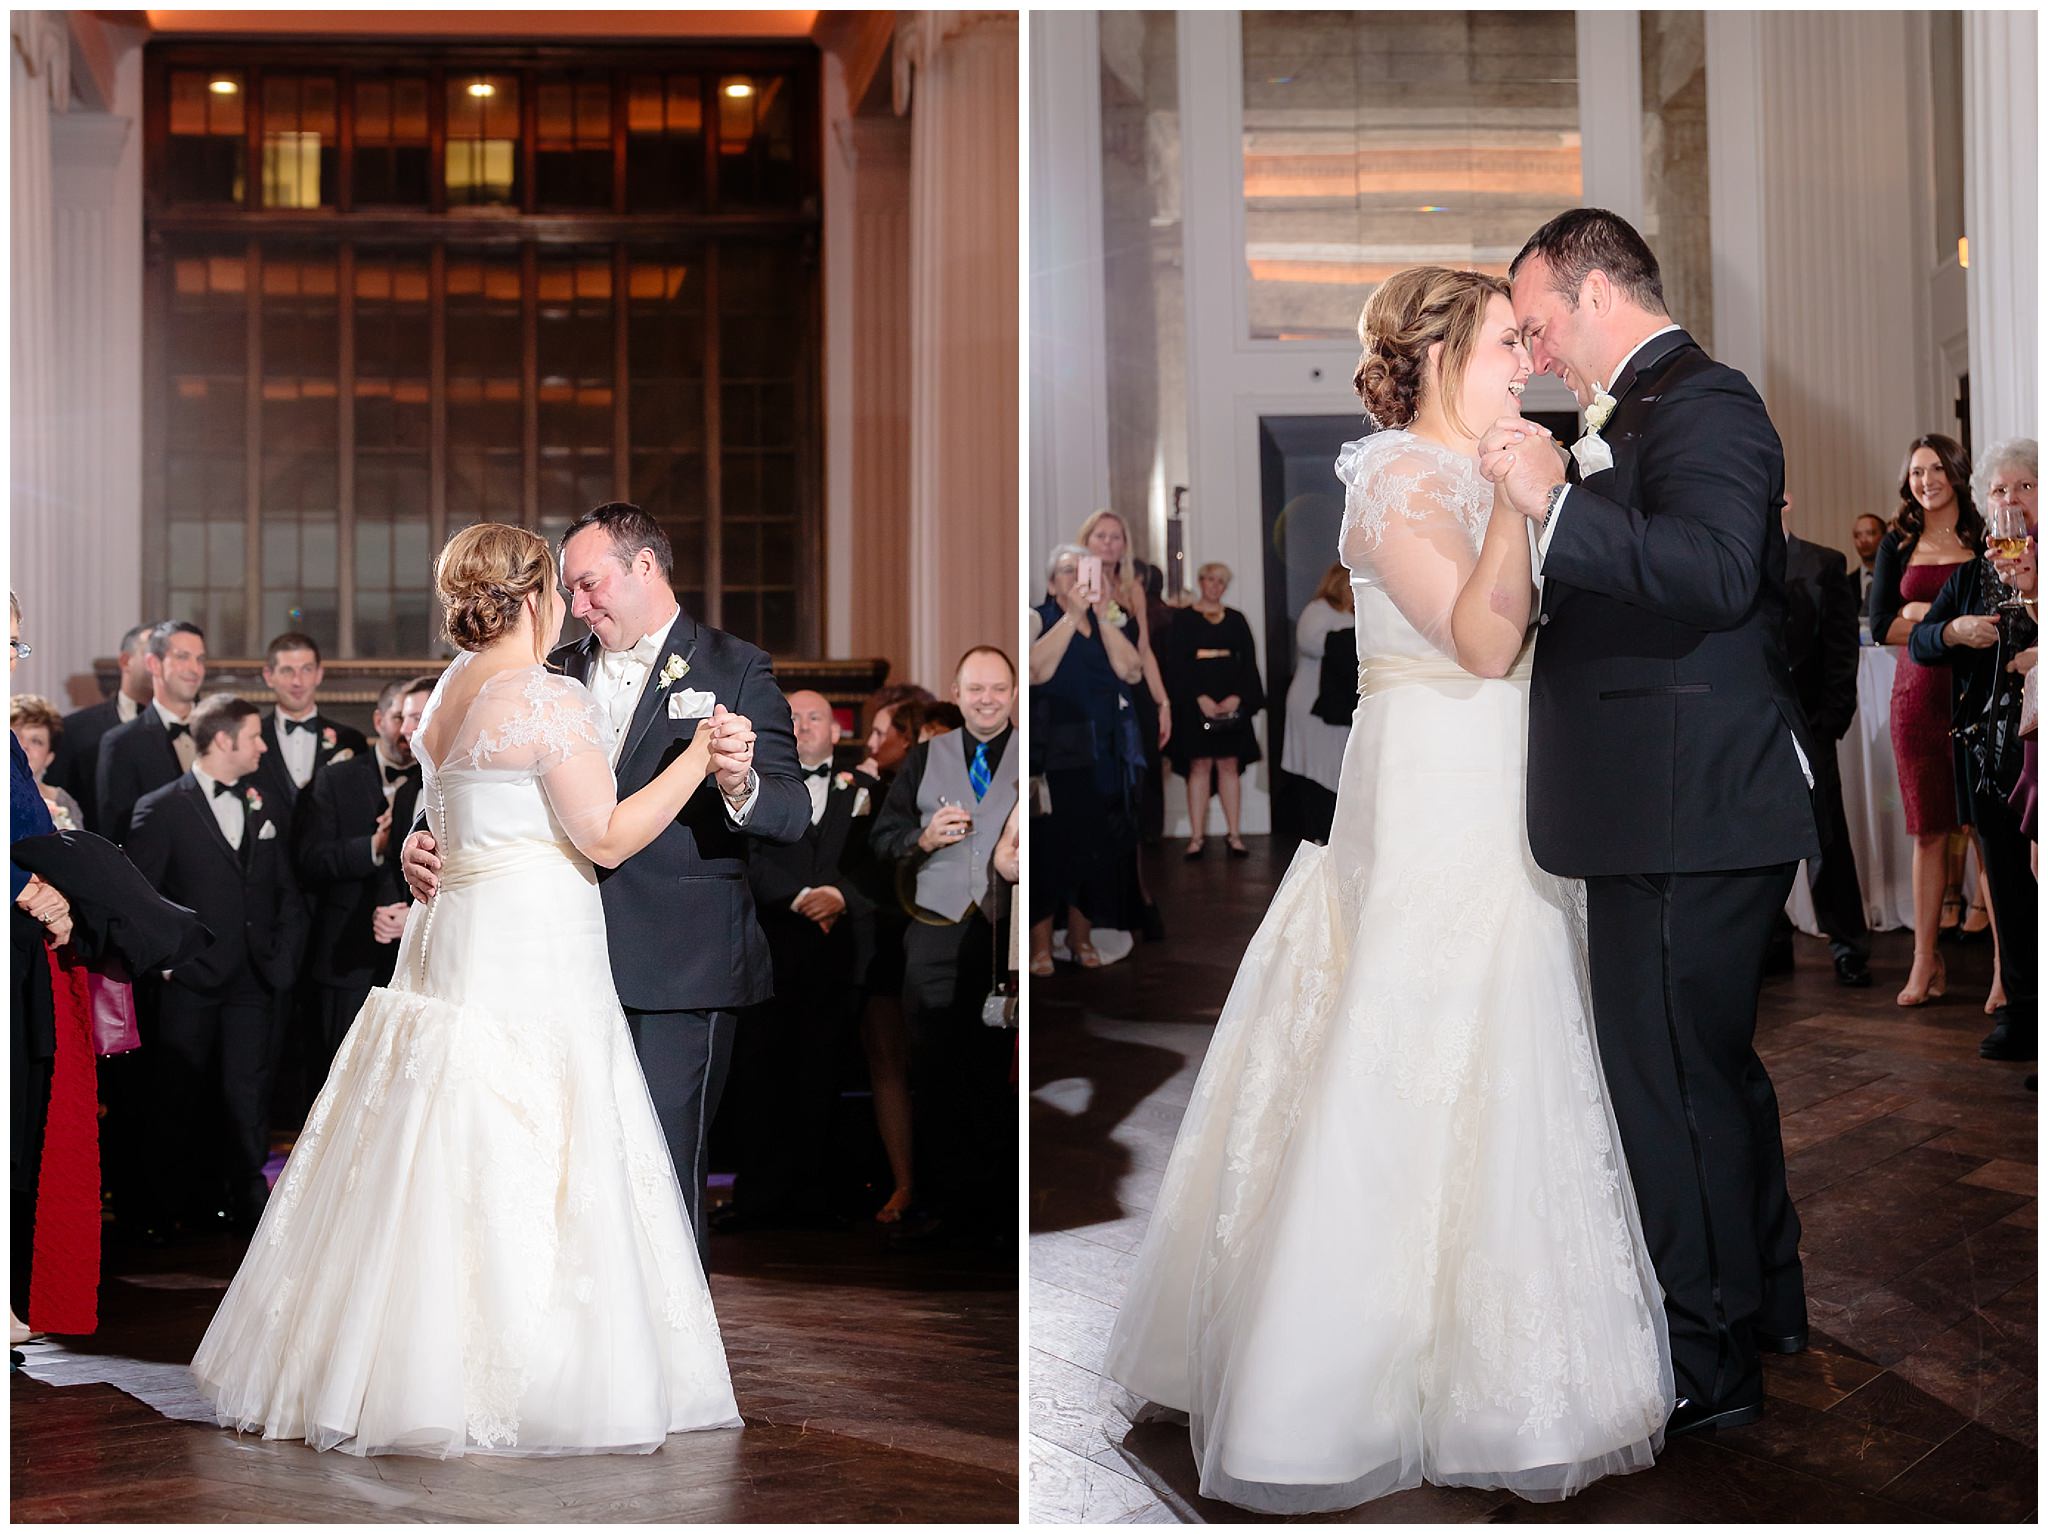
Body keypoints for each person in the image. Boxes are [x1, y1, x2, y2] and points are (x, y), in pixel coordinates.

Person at [1107, 265, 1672, 1513]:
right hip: (1432, 784)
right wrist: (1525, 502)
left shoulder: (1494, 463)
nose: (1515, 372)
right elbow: (1479, 643)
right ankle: (1346, 1372)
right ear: (1430, 360)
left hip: (1506, 771)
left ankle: (1511, 1359)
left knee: (1515, 1035)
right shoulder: (1393, 479)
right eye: (1492, 354)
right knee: (1421, 1030)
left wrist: (1539, 488)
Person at [193, 522, 741, 1456]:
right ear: (531, 596)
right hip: (529, 948)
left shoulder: (447, 691)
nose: (571, 603)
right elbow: (603, 837)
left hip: (455, 938)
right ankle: (531, 1373)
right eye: (558, 589)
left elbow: (440, 809)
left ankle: (397, 1364)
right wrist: (696, 758)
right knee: (533, 1141)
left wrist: (415, 845)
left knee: (438, 1141)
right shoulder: (543, 696)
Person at [1492, 210, 1822, 1432]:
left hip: (1686, 804)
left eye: (1535, 325)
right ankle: (1767, 1300)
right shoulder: (1635, 412)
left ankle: (1709, 1363)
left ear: (1592, 293)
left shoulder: (1705, 400)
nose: (1532, 352)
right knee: (1708, 1076)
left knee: (1671, 1089)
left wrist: (1556, 509)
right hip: (1661, 804)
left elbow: (1719, 569)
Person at [401, 501, 808, 1263]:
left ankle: (668, 1352)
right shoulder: (546, 671)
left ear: (644, 567)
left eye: (589, 586)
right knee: (557, 1168)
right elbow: (471, 783)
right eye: (569, 591)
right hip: (550, 968)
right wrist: (420, 838)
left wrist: (738, 779)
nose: (578, 606)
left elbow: (791, 810)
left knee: (656, 1164)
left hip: (676, 963)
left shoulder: (735, 665)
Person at [124, 695, 307, 1238]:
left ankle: (245, 1197)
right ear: (223, 740)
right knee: (180, 1092)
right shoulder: (160, 808)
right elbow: (142, 899)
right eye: (253, 736)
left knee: (247, 1091)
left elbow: (285, 890)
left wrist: (283, 954)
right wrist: (167, 968)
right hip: (191, 979)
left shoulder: (264, 799)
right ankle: (172, 1205)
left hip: (255, 976)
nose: (261, 745)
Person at [869, 646, 1019, 1244]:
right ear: (955, 693)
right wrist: (923, 838)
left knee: (996, 1070)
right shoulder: (924, 758)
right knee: (934, 1067)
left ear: (1013, 694)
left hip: (1002, 931)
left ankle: (999, 1208)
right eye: (976, 688)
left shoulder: (1032, 756)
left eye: (999, 689)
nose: (987, 698)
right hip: (934, 928)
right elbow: (883, 839)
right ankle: (942, 1205)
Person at [720, 689, 875, 1230]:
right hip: (770, 946)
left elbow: (875, 855)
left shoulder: (865, 788)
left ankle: (820, 1195)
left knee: (824, 1072)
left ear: (837, 732)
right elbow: (745, 854)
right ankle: (758, 1196)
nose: (805, 725)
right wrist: (795, 896)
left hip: (839, 953)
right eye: (795, 717)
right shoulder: (749, 783)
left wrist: (839, 896)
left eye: (817, 718)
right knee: (760, 1073)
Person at [1911, 437, 2038, 1060]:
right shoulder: (1970, 575)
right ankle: (2020, 1015)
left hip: (2040, 753)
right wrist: (1955, 630)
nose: (2010, 500)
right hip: (1990, 755)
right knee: (2008, 891)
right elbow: (1919, 643)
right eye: (1999, 490)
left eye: (2025, 488)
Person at [1869, 434, 1987, 1005]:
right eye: (1917, 471)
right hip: (1916, 695)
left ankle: (2006, 972)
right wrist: (1936, 622)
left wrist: (1918, 614)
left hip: (1980, 692)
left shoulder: (1987, 532)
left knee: (1988, 830)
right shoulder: (1898, 540)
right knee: (1927, 828)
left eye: (1937, 468)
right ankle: (1924, 961)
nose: (1926, 480)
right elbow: (1878, 626)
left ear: (1957, 473)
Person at [292, 675, 432, 1101]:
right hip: (348, 950)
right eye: (402, 718)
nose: (407, 730)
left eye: (416, 718)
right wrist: (374, 850)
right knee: (342, 1082)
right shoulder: (339, 781)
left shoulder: (440, 782)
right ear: (381, 720)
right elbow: (312, 860)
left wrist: (416, 914)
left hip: (424, 954)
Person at [1029, 544, 1146, 972]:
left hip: (1101, 754)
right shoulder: (1037, 618)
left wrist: (1096, 615)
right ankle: (1039, 946)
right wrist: (1072, 616)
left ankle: (1080, 939)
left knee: (1093, 851)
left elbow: (1131, 670)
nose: (1076, 578)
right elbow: (1035, 670)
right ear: (1050, 582)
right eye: (1066, 571)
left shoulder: (1102, 622)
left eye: (1083, 570)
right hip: (1053, 755)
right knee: (1047, 851)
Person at [1776, 495, 1873, 986]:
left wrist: (1830, 722)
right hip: (1753, 728)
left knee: (1827, 839)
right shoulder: (1734, 561)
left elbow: (1841, 653)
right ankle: (1771, 942)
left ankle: (1847, 943)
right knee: (1756, 840)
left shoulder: (1824, 563)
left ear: (1786, 500)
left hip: (1812, 727)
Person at [847, 690, 927, 1222]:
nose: (871, 744)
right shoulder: (870, 788)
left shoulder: (928, 786)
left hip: (922, 930)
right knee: (885, 1062)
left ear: (911, 736)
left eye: (881, 734)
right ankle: (903, 1182)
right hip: (880, 935)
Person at [1161, 562, 1263, 857]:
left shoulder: (1236, 619)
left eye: (1221, 581)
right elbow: (1177, 665)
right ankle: (1196, 838)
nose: (1215, 586)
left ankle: (1234, 835)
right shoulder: (1182, 619)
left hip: (1231, 700)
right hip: (1196, 703)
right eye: (1210, 580)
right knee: (1199, 765)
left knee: (1229, 764)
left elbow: (1249, 663)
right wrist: (1198, 697)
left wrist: (1238, 697)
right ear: (1201, 581)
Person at [95, 620, 207, 846]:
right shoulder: (121, 743)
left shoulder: (224, 730)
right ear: (154, 664)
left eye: (200, 659)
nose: (194, 669)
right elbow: (115, 835)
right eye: (182, 657)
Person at [249, 632, 369, 823]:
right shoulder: (250, 741)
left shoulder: (351, 741)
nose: (297, 681)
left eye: (306, 669)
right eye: (287, 670)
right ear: (269, 676)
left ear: (319, 674)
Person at [46, 621, 154, 830]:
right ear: (125, 661)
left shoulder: (192, 730)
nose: (161, 663)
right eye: (152, 654)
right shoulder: (75, 729)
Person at [1280, 563, 1355, 845]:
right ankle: (1320, 835)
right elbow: (1310, 642)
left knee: (1336, 769)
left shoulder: (1349, 613)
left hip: (1339, 707)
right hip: (1314, 706)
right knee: (1319, 771)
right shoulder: (1320, 610)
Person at [11, 697, 86, 832]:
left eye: (36, 741)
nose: (23, 746)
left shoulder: (63, 801)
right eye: (16, 737)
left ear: (49, 758)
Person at [1850, 512, 1886, 617]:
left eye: (1870, 533)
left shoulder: (1899, 577)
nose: (1863, 540)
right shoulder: (1846, 582)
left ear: (1884, 536)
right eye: (1857, 535)